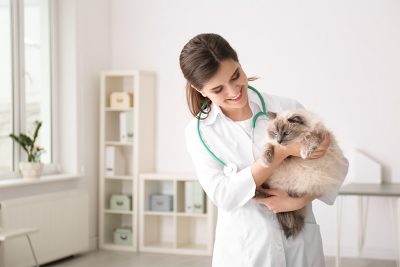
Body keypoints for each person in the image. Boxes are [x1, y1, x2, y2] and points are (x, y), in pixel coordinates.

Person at [179, 33, 348, 267]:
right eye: (218, 89)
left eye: (236, 76)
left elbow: (338, 165)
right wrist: (281, 154)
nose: (233, 91)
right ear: (200, 90)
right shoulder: (200, 133)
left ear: (239, 63)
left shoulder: (286, 108)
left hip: (299, 245)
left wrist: (298, 201)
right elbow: (224, 196)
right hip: (245, 250)